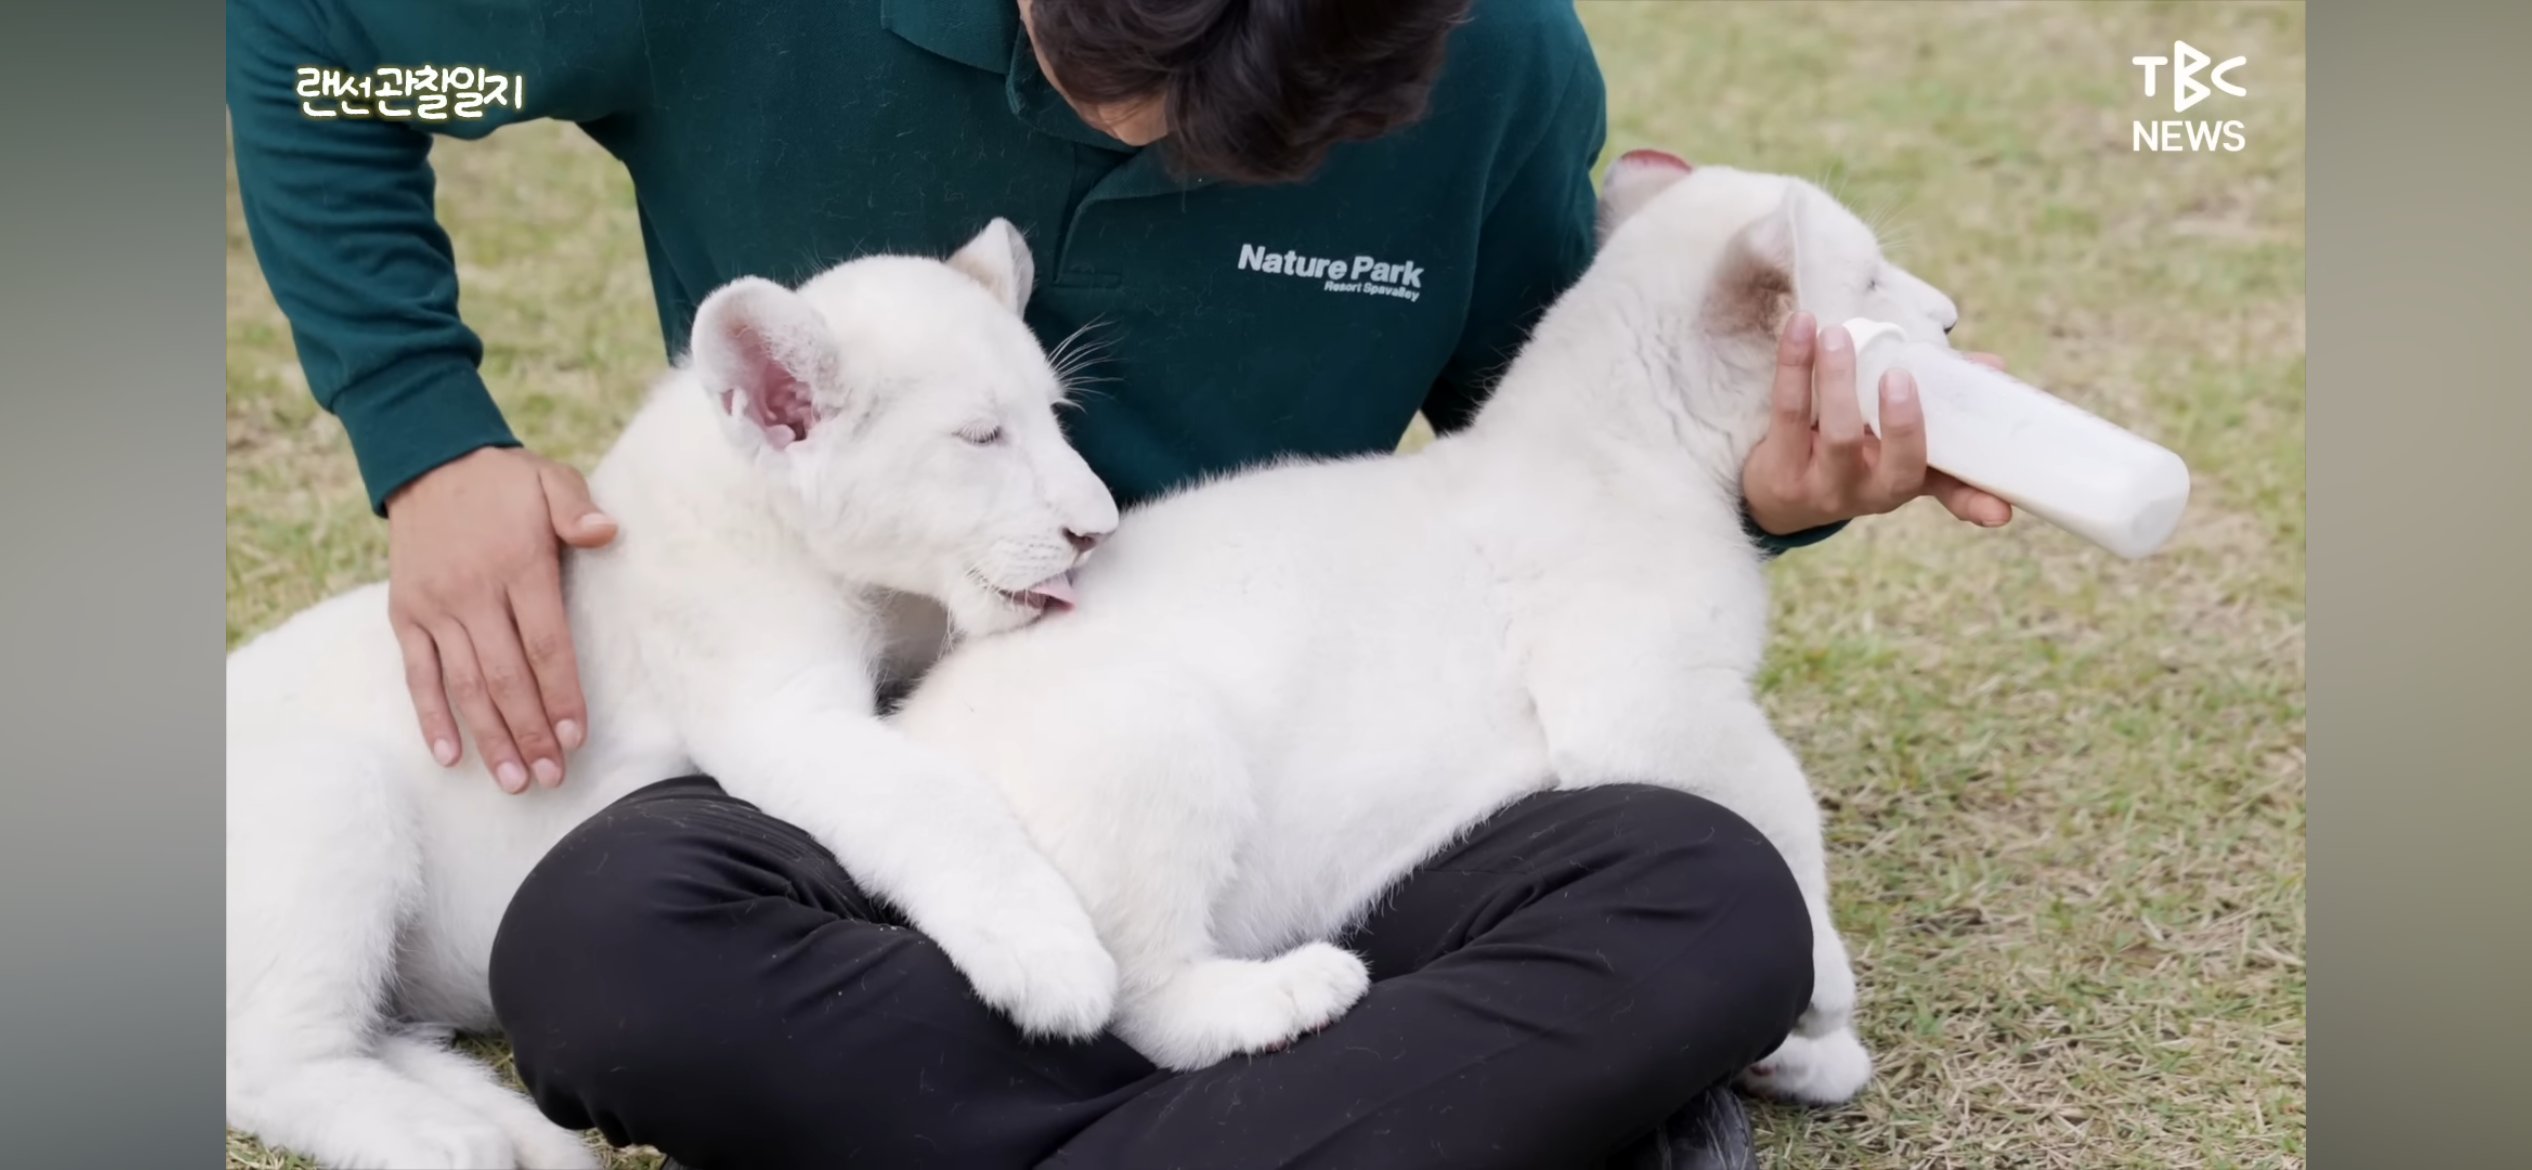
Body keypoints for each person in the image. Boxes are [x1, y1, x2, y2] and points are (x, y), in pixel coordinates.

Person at [226, 0, 2015, 1166]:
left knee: (1708, 895)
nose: (1157, 144)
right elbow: (332, 60)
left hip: (1310, 763)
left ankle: (1122, 1112)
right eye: (1122, 79)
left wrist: (1770, 487)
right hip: (876, 755)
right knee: (602, 953)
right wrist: (426, 430)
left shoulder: (1499, 67)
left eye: (1254, 142)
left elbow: (1550, 454)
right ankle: (1398, 1111)